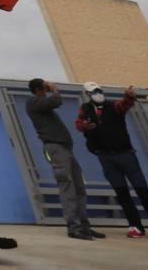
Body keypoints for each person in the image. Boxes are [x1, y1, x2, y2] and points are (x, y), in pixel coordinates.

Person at [76, 81, 148, 240]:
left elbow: (125, 105)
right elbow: (79, 124)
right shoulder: (85, 109)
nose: (97, 93)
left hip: (125, 154)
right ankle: (135, 226)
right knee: (122, 193)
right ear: (87, 94)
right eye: (93, 91)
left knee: (142, 190)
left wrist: (129, 97)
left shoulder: (114, 106)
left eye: (99, 90)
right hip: (105, 156)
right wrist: (85, 126)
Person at [26, 78, 101, 240]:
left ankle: (84, 226)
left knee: (79, 187)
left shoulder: (42, 104)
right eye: (44, 87)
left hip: (65, 149)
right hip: (55, 148)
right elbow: (56, 101)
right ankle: (73, 228)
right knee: (67, 186)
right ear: (40, 89)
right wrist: (54, 89)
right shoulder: (33, 102)